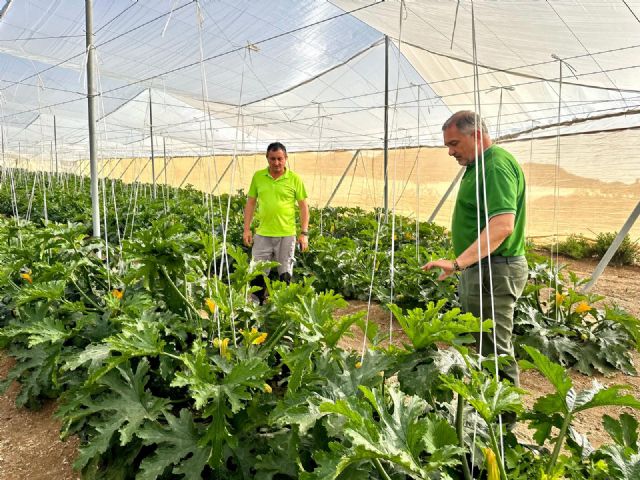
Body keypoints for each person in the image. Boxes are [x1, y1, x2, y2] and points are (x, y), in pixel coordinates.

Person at [423, 110, 528, 388]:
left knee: (494, 354)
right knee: (483, 348)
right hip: (483, 270)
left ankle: (501, 423)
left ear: (477, 136)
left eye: (454, 144)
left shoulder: (494, 166)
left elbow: (502, 225)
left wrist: (458, 263)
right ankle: (486, 413)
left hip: (493, 271)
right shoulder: (477, 166)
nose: (450, 152)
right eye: (447, 145)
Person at [243, 142, 309, 303]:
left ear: (286, 158)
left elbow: (303, 207)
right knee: (257, 273)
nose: (276, 163)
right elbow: (251, 203)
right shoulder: (258, 177)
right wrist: (247, 229)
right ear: (267, 158)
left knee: (285, 273)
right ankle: (255, 309)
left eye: (280, 158)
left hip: (286, 235)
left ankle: (280, 308)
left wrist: (304, 233)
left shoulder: (295, 179)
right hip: (263, 234)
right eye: (272, 159)